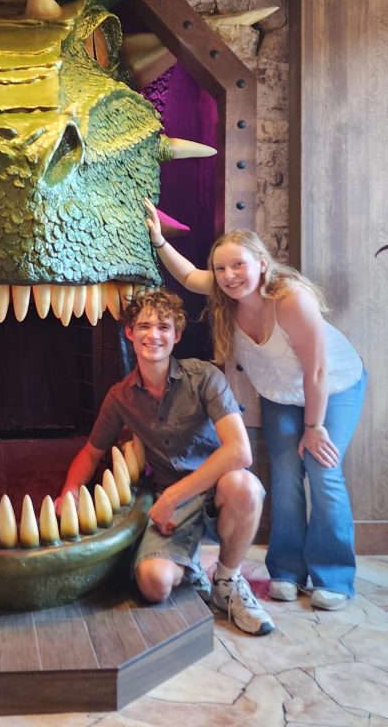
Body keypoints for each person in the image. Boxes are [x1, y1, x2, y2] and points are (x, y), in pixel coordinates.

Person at [144, 198, 367, 611]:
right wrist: (158, 239)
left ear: (261, 263)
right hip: (281, 394)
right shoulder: (227, 294)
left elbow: (316, 371)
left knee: (322, 470)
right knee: (283, 475)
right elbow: (191, 275)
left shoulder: (290, 298)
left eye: (238, 265)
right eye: (222, 268)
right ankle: (285, 572)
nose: (229, 276)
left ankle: (333, 575)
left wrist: (314, 427)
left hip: (333, 387)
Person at [58, 287, 275, 636]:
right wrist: (68, 494)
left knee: (244, 485)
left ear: (177, 335)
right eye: (144, 326)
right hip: (170, 507)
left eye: (163, 327)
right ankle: (186, 564)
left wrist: (173, 497)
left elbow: (240, 452)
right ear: (129, 333)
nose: (153, 335)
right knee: (152, 584)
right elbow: (91, 452)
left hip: (214, 492)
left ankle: (226, 581)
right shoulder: (120, 396)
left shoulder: (204, 378)